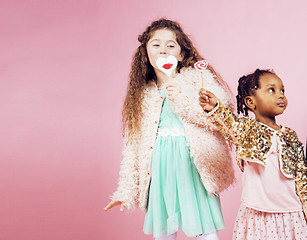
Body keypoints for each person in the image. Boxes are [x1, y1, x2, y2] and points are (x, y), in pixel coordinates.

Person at [104, 18, 235, 240]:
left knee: (205, 231)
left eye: (171, 45)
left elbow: (219, 119)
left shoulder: (198, 81)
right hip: (160, 169)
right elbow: (133, 147)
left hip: (193, 166)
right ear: (145, 53)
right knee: (164, 233)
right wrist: (126, 191)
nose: (163, 50)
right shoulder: (143, 96)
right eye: (156, 44)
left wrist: (182, 99)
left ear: (182, 54)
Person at [199, 69, 307, 239]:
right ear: (250, 102)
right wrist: (215, 107)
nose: (280, 95)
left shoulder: (290, 136)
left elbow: (302, 175)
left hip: (292, 214)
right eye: (271, 90)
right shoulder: (246, 130)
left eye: (282, 90)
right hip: (258, 213)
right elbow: (229, 123)